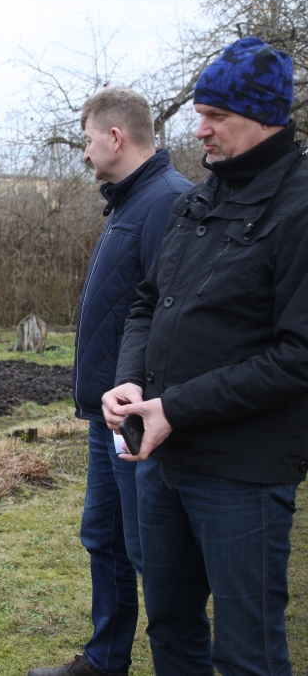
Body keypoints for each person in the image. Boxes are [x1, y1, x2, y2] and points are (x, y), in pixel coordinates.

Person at [102, 37, 308, 675]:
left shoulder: (299, 207)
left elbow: (299, 354)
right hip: (162, 461)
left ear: (265, 116)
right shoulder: (197, 201)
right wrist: (129, 381)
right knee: (171, 629)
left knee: (247, 651)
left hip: (243, 474)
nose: (201, 130)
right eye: (200, 113)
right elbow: (146, 304)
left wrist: (179, 407)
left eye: (216, 116)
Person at [29, 88, 191, 676]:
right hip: (108, 415)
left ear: (115, 138)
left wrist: (141, 404)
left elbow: (169, 319)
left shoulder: (168, 203)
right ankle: (104, 661)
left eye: (87, 138)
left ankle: (176, 660)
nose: (84, 151)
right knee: (106, 538)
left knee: (150, 550)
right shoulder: (129, 202)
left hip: (136, 417)